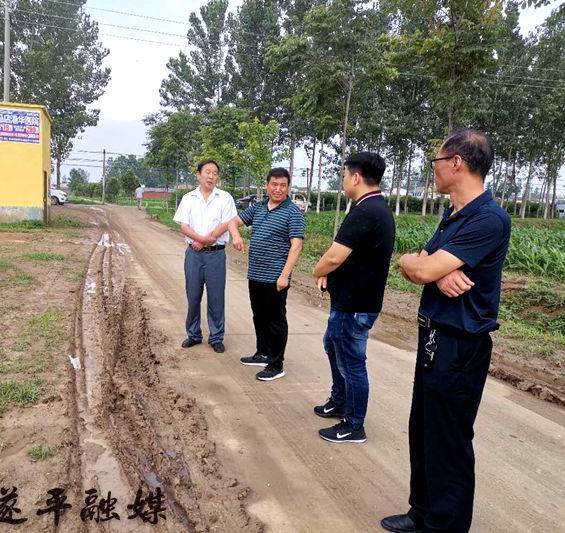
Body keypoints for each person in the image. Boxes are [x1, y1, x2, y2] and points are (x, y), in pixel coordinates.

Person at [381, 130, 511, 533]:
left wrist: (426, 268)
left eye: (436, 162)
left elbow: (421, 267)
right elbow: (415, 264)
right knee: (422, 428)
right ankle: (422, 511)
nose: (432, 170)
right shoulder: (453, 214)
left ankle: (445, 525)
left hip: (461, 345)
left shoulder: (488, 218)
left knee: (449, 440)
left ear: (456, 162)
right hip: (435, 336)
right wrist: (431, 271)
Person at [312, 152, 394, 444]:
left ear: (356, 177)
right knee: (332, 345)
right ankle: (340, 400)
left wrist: (318, 270)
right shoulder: (369, 207)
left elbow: (334, 256)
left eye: (344, 175)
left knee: (352, 362)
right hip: (348, 300)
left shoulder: (367, 210)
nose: (343, 180)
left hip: (357, 305)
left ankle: (354, 425)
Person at [211, 167, 304, 381]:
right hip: (256, 274)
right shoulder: (259, 207)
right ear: (267, 185)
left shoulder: (293, 212)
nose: (278, 189)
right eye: (274, 184)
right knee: (259, 315)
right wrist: (236, 236)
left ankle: (276, 364)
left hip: (276, 277)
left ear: (288, 187)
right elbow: (233, 221)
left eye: (283, 185)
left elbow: (296, 246)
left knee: (276, 320)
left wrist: (284, 275)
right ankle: (262, 353)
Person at [173, 160, 237, 353]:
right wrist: (200, 239)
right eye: (207, 172)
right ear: (198, 174)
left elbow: (227, 223)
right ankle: (193, 334)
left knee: (216, 297)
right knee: (193, 295)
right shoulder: (188, 198)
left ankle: (216, 337)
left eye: (215, 173)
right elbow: (184, 226)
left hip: (215, 255)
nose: (211, 176)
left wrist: (207, 240)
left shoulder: (225, 198)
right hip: (194, 254)